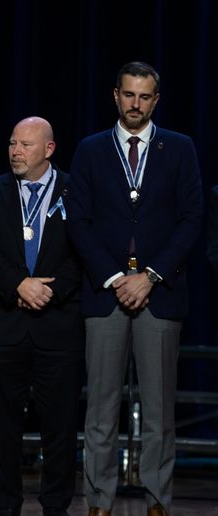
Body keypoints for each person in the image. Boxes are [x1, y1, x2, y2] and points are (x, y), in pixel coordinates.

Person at [66, 62, 202, 516]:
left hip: (159, 295)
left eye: (144, 97)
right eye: (128, 95)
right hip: (105, 294)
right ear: (115, 95)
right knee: (100, 412)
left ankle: (158, 500)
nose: (135, 104)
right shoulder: (90, 150)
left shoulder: (180, 149)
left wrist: (151, 276)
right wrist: (114, 277)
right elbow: (79, 222)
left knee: (160, 412)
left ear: (156, 100)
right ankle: (99, 503)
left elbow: (190, 220)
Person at [0, 117, 83, 516]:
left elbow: (84, 251)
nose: (16, 151)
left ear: (49, 149)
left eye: (26, 145)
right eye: (12, 143)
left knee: (61, 426)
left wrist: (48, 291)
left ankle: (55, 506)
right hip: (2, 326)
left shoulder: (76, 190)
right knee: (3, 426)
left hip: (58, 326)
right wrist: (19, 285)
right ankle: (7, 506)